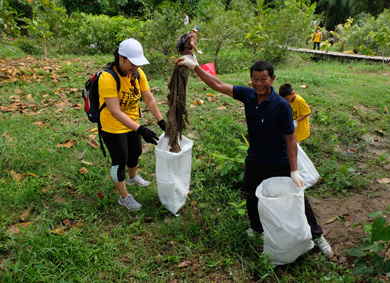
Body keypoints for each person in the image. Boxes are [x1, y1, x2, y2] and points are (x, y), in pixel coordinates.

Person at [177, 57, 334, 258]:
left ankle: (317, 236)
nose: (259, 84)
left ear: (272, 78)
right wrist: (195, 67)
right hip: (255, 160)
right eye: (255, 79)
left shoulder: (281, 105)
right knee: (251, 195)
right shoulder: (248, 95)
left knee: (298, 199)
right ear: (251, 79)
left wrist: (294, 170)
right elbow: (217, 84)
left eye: (264, 79)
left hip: (280, 162)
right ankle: (257, 228)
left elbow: (291, 139)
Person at [99, 38, 167, 211]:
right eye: (132, 63)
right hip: (112, 126)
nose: (135, 67)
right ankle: (124, 197)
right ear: (121, 58)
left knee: (136, 151)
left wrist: (161, 121)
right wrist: (141, 129)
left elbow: (149, 98)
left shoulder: (137, 73)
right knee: (120, 160)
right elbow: (115, 111)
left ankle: (132, 177)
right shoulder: (108, 78)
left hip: (132, 122)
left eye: (138, 63)